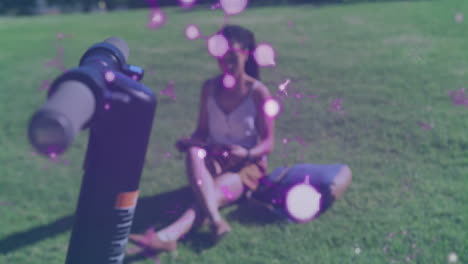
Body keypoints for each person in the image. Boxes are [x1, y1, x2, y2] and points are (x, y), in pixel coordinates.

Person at [128, 24, 276, 252]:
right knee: (194, 152)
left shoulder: (258, 92)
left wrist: (245, 153)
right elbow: (202, 132)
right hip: (215, 157)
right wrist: (191, 141)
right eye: (219, 58)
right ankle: (215, 222)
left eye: (232, 58)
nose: (225, 65)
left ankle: (168, 236)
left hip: (247, 165)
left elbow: (268, 143)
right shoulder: (209, 87)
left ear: (246, 55)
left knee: (210, 196)